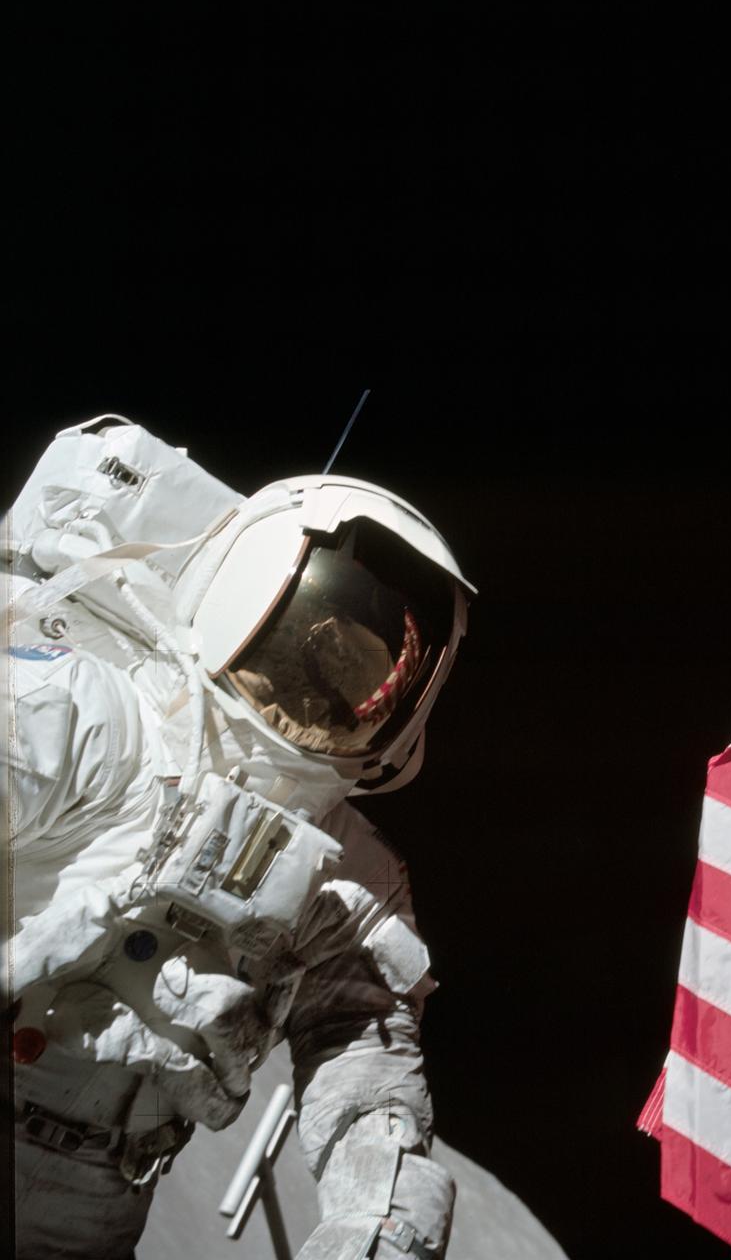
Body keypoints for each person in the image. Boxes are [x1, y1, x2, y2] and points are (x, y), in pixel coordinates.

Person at [3, 416, 472, 1258]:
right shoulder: (93, 720)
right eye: (316, 643)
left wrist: (379, 1224)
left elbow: (363, 1070)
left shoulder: (349, 881)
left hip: (95, 1208)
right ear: (242, 589)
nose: (331, 686)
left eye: (366, 674)